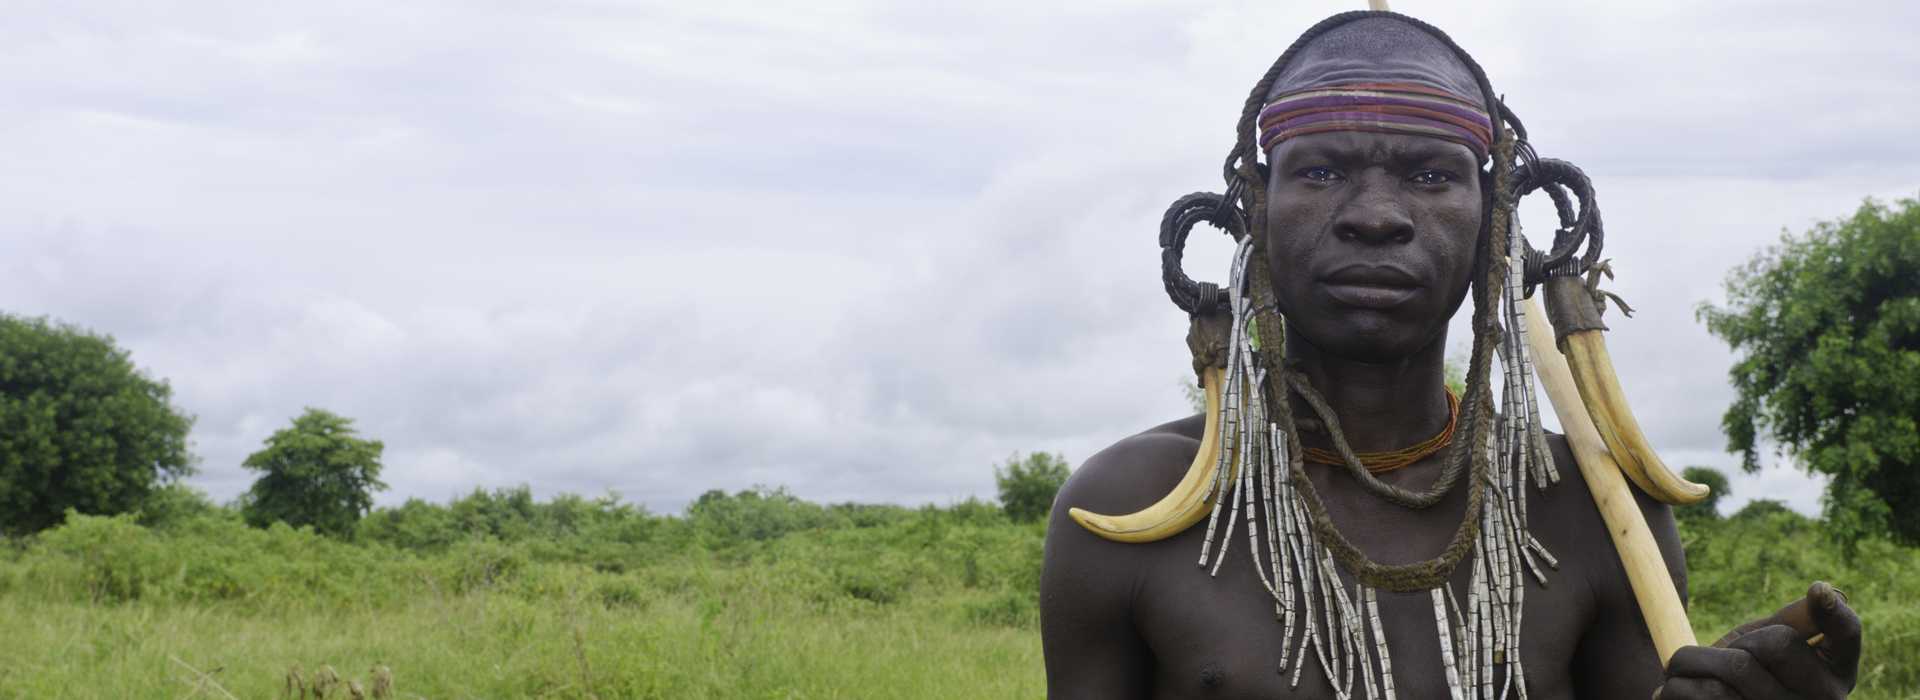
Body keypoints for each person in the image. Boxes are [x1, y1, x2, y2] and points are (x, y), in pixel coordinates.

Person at [1040, 12, 1861, 699]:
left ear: (1494, 224)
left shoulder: (1592, 510)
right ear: (1251, 211)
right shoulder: (1128, 510)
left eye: (1432, 176)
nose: (1376, 216)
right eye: (1320, 171)